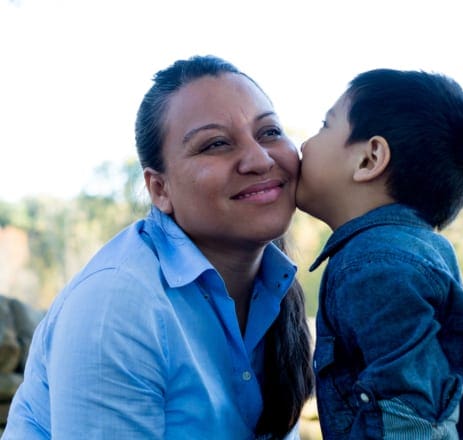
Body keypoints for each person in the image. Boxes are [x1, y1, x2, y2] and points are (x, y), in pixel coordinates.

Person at [3, 55, 314, 440]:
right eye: (216, 143)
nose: (259, 158)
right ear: (160, 189)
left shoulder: (274, 290)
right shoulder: (119, 304)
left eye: (268, 132)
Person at [296, 68, 463, 439]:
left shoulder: (374, 264)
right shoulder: (414, 249)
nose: (305, 145)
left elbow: (411, 417)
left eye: (325, 126)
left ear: (370, 159)